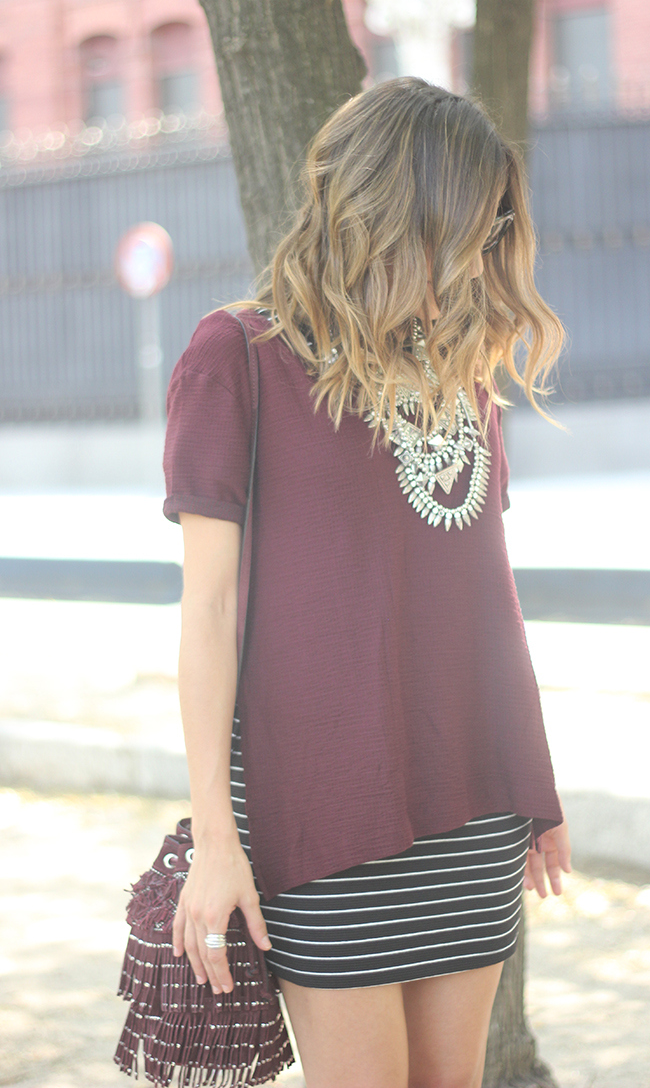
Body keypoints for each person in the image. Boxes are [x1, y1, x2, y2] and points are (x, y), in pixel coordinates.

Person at [162, 76, 571, 1088]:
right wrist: (218, 840)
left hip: (471, 811)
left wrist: (535, 786)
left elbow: (488, 601)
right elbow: (208, 612)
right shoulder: (239, 357)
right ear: (393, 213)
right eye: (463, 232)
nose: (478, 260)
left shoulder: (461, 373)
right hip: (321, 820)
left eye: (490, 235)